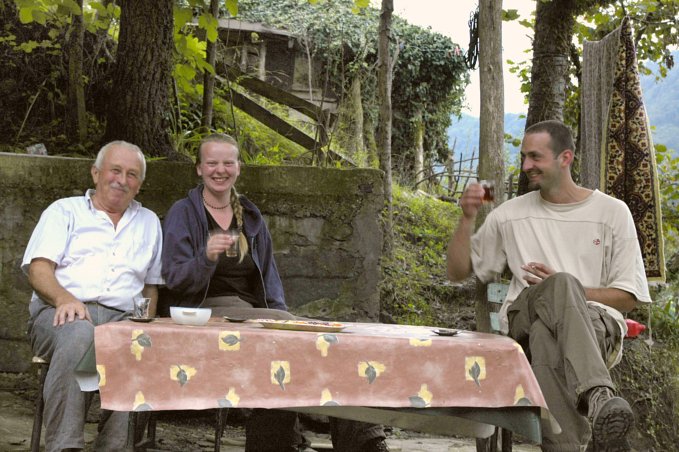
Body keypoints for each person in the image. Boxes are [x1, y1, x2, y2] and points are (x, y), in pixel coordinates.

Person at [161, 134, 388, 452]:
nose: (220, 170)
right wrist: (205, 257)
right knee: (313, 340)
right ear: (199, 168)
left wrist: (286, 319)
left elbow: (270, 280)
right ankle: (340, 441)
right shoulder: (183, 213)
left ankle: (315, 439)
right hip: (202, 316)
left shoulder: (249, 217)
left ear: (239, 167)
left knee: (327, 342)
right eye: (211, 163)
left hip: (255, 317)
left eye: (228, 162)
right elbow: (174, 279)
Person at [446, 120, 651, 452]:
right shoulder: (510, 215)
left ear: (565, 157)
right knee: (554, 296)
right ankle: (598, 395)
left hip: (592, 325)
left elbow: (627, 299)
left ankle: (569, 446)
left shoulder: (613, 213)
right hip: (523, 315)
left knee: (547, 335)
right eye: (524, 157)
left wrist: (571, 290)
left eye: (535, 157)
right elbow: (457, 271)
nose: (526, 166)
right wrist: (467, 217)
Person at [22, 141, 164, 452]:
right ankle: (64, 446)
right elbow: (39, 269)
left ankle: (114, 446)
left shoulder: (150, 222)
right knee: (80, 335)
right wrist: (64, 299)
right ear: (96, 173)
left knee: (144, 345)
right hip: (60, 312)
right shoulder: (64, 211)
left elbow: (150, 286)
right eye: (115, 170)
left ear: (139, 185)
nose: (122, 180)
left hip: (122, 317)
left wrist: (145, 322)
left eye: (132, 174)